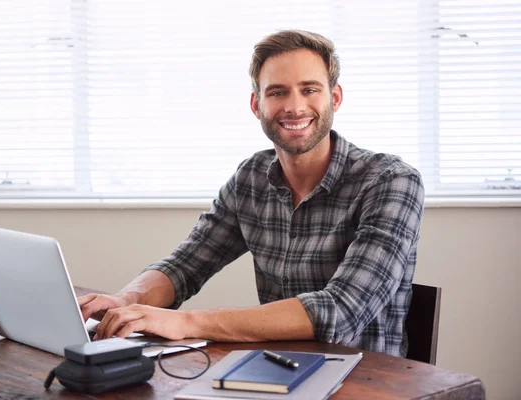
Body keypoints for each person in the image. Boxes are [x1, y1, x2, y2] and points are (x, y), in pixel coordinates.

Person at [78, 30, 424, 357]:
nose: (294, 106)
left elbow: (340, 311)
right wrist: (126, 299)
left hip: (370, 379)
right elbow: (185, 265)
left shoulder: (391, 181)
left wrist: (186, 323)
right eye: (277, 92)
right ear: (257, 105)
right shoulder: (251, 178)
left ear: (334, 98)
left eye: (309, 90)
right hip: (273, 369)